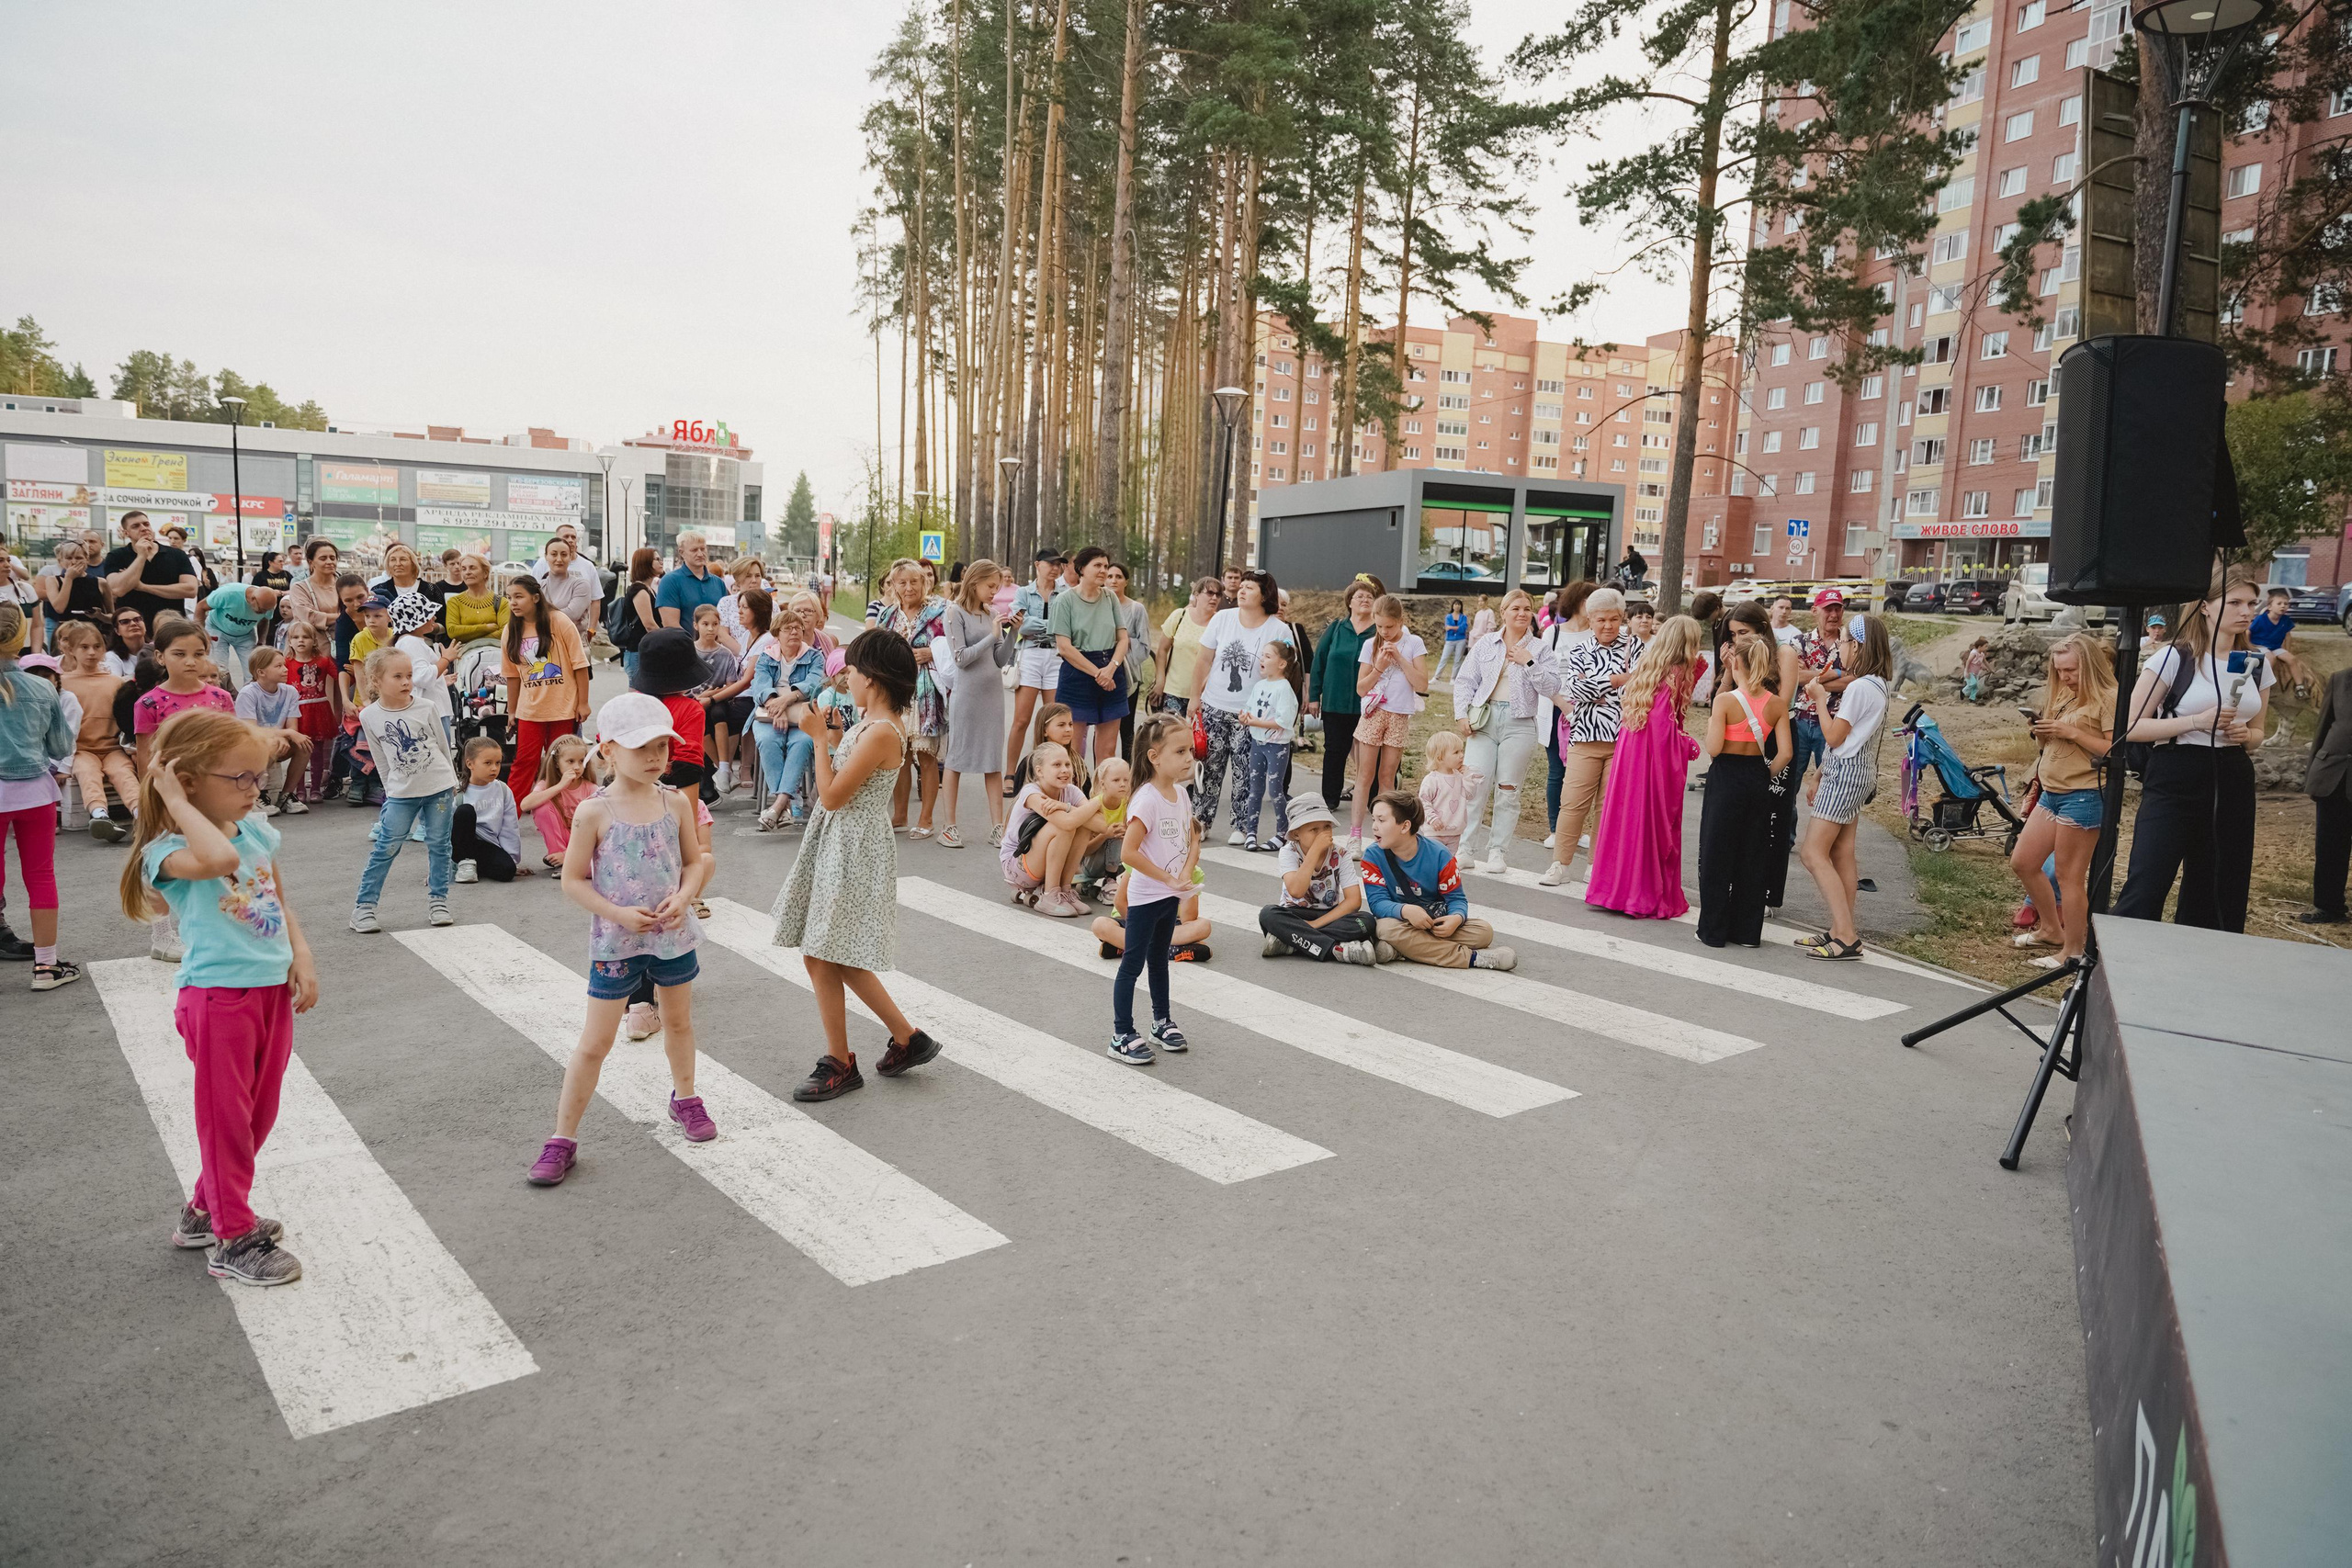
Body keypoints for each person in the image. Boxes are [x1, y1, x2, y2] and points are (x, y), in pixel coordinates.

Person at [120, 708, 319, 1282]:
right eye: (241, 779)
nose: (256, 791)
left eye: (260, 778)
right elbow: (221, 862)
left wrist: (300, 955)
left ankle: (203, 1212)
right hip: (217, 998)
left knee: (259, 1113)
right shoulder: (166, 851)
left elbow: (276, 897)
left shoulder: (254, 828)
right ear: (187, 782)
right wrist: (174, 802)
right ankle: (233, 1236)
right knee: (226, 1121)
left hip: (268, 991)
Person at [525, 693, 717, 1187]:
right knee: (595, 1042)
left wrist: (686, 895)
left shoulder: (675, 802)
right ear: (607, 750)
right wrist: (617, 914)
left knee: (678, 1023)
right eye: (642, 748)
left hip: (673, 938)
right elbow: (573, 881)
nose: (656, 757)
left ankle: (686, 1098)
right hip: (615, 943)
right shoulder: (593, 812)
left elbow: (696, 863)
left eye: (662, 746)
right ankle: (562, 1138)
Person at [770, 628, 946, 1102]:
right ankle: (905, 1039)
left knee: (825, 951)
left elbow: (830, 795)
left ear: (875, 678)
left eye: (852, 668)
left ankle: (843, 1060)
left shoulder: (882, 732)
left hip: (853, 846)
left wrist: (817, 742)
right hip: (840, 842)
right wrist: (831, 735)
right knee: (827, 950)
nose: (846, 676)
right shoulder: (868, 726)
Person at [2114, 565, 2271, 933]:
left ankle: (2202, 972)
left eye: (2252, 602)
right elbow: (2130, 727)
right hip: (2177, 770)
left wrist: (2245, 736)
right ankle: (2120, 967)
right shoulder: (2174, 656)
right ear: (2205, 606)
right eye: (2234, 602)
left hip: (2231, 774)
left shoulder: (2255, 660)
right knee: (2149, 878)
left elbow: (2259, 730)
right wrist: (2196, 722)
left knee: (2219, 888)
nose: (2246, 611)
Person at [2007, 634, 2117, 969]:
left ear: (2091, 665)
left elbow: (2115, 751)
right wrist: (2041, 730)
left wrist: (2071, 733)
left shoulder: (2109, 698)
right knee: (2023, 862)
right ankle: (2051, 929)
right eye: (2060, 671)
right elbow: (2047, 748)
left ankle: (2073, 951)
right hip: (2052, 792)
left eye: (2072, 670)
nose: (2066, 677)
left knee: (2070, 876)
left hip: (2083, 794)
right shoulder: (2065, 696)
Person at [1584, 615, 1704, 920]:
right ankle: (1640, 893)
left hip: (1632, 753)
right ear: (1686, 644)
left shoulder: (1650, 670)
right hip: (1651, 760)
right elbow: (1664, 730)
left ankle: (1615, 889)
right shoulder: (1675, 674)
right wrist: (1685, 743)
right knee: (1648, 821)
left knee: (1627, 817)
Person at [1794, 613, 1895, 961]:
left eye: (1846, 643)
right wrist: (1821, 771)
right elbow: (1852, 740)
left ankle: (1847, 936)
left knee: (1812, 853)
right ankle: (1840, 928)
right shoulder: (1878, 684)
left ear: (1860, 647)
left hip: (1846, 774)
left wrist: (1820, 699)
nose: (1840, 647)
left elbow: (1835, 735)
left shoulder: (1859, 687)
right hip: (1855, 770)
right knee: (1841, 852)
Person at [1106, 712, 1199, 1064]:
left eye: (1190, 750)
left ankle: (1161, 1022)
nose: (1189, 757)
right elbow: (1129, 852)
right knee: (1132, 964)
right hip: (1146, 898)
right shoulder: (1146, 799)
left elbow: (1192, 841)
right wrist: (1166, 878)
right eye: (1180, 751)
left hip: (1169, 895)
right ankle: (1121, 1033)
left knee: (1159, 960)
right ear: (1154, 756)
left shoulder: (1180, 794)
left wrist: (1184, 877)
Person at [350, 649, 461, 934]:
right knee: (386, 848)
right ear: (375, 680)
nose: (406, 682)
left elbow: (441, 745)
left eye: (409, 675)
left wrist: (452, 781)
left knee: (439, 845)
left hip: (439, 789)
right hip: (401, 794)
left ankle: (438, 902)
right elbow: (382, 759)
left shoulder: (426, 707)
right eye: (397, 676)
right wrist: (391, 791)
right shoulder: (370, 715)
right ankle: (364, 908)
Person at [1452, 587, 1562, 874]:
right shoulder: (1486, 643)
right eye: (1515, 608)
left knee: (1508, 790)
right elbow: (1465, 680)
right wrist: (1461, 714)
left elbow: (1552, 688)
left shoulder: (1539, 649)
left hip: (1520, 723)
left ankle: (1498, 851)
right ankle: (1465, 849)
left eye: (1527, 609)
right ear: (1503, 612)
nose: (1522, 613)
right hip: (1484, 721)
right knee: (1474, 787)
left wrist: (1529, 661)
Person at [0, 604, 79, 991]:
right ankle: (46, 967)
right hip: (33, 791)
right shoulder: (42, 686)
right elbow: (60, 744)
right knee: (40, 875)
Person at [1539, 587, 1641, 886]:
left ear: (1622, 618)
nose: (1608, 625)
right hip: (1584, 736)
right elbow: (1575, 690)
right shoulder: (1580, 649)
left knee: (1607, 807)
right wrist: (1618, 680)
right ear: (1591, 618)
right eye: (1600, 619)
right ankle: (1560, 864)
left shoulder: (1635, 648)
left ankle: (1596, 866)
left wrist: (1601, 685)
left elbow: (1638, 687)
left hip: (1622, 739)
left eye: (1614, 619)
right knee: (1572, 803)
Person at [1697, 635, 1792, 948]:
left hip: (1726, 775)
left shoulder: (1725, 701)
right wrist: (1765, 774)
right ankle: (1748, 932)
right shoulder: (1777, 703)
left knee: (1717, 852)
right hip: (1756, 776)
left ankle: (1712, 930)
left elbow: (1712, 747)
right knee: (1752, 853)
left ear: (1735, 662)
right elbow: (1786, 753)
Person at [1191, 570, 1297, 840]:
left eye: (1250, 587)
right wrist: (1194, 698)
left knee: (1245, 769)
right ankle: (1200, 822)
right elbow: (1203, 660)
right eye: (1243, 586)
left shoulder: (1279, 629)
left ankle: (1240, 825)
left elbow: (1290, 668)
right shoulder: (1222, 619)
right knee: (1209, 767)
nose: (1242, 590)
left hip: (1252, 714)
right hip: (1214, 704)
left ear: (1265, 595)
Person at [1360, 790, 1513, 970]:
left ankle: (1402, 950)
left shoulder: (1439, 854)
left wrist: (1456, 918)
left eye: (1381, 820)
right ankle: (1474, 958)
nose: (1374, 827)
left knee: (1483, 932)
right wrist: (1406, 911)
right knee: (1383, 929)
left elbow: (1456, 899)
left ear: (1404, 826)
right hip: (1398, 921)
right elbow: (1377, 903)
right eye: (1373, 820)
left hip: (1434, 922)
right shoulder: (1372, 856)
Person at [940, 558, 1017, 850]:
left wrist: (1012, 634)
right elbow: (961, 659)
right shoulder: (954, 612)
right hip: (967, 697)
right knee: (956, 759)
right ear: (974, 582)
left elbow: (999, 660)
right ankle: (949, 826)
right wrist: (992, 637)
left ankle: (997, 827)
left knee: (992, 763)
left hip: (992, 697)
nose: (994, 592)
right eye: (990, 586)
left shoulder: (992, 613)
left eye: (997, 587)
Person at [1257, 792, 1380, 963]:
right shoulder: (1288, 852)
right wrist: (1314, 851)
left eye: (1326, 827)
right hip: (1296, 914)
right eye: (1314, 829)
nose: (1323, 834)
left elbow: (1354, 901)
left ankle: (1291, 942)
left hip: (1328, 915)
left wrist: (1315, 925)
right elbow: (1296, 891)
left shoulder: (1340, 854)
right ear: (1297, 834)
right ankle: (1337, 950)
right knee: (1268, 915)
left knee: (1366, 922)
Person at [1002, 740, 1117, 917]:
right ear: (1039, 771)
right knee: (1065, 826)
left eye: (1067, 764)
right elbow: (1066, 824)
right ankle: (1050, 895)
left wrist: (1066, 807)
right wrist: (1096, 802)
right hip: (1018, 866)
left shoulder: (1071, 790)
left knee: (1082, 825)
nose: (1065, 770)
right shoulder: (1031, 792)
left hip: (1042, 864)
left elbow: (1101, 825)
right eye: (1057, 765)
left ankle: (1064, 890)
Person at [501, 574, 592, 794]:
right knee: (524, 763)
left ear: (535, 597)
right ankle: (510, 818)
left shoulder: (559, 621)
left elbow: (580, 665)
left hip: (563, 709)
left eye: (519, 596)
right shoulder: (510, 631)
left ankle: (563, 816)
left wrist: (583, 703)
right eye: (509, 597)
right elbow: (512, 676)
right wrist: (512, 711)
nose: (513, 602)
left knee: (562, 764)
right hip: (530, 711)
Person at [56, 622, 137, 840]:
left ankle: (141, 813)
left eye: (97, 647)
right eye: (84, 647)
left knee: (124, 774)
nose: (91, 652)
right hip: (81, 749)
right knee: (86, 773)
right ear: (71, 650)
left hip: (112, 748)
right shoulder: (63, 683)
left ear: (104, 650)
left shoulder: (116, 682)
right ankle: (100, 815)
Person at [1310, 576, 1383, 810]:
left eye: (1370, 597)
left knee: (1372, 755)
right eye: (1359, 596)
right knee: (1334, 751)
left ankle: (1374, 801)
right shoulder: (1336, 629)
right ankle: (1329, 799)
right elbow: (1318, 662)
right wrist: (1314, 696)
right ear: (1349, 602)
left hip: (1369, 705)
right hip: (1336, 703)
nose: (1365, 600)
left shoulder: (1379, 632)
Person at [752, 608, 826, 831]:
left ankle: (778, 805)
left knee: (802, 742)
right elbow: (760, 687)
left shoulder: (814, 656)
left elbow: (814, 685)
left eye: (798, 628)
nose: (794, 632)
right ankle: (784, 806)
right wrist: (778, 706)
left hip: (802, 713)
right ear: (777, 633)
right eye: (788, 628)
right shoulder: (766, 656)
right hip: (770, 714)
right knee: (768, 741)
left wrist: (787, 701)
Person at [132, 618, 236, 775]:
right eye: (179, 654)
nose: (190, 662)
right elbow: (146, 757)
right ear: (160, 657)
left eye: (199, 654)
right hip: (171, 786)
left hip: (217, 783)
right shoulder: (149, 704)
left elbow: (232, 744)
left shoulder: (222, 697)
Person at [1233, 639, 1304, 852]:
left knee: (1275, 791)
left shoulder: (1284, 689)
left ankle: (1282, 833)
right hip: (1258, 744)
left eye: (1268, 656)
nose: (1262, 659)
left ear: (1282, 664)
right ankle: (1251, 832)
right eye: (1262, 655)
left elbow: (1283, 721)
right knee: (1254, 790)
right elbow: (1250, 707)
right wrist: (1245, 715)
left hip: (1276, 747)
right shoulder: (1260, 685)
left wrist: (1254, 722)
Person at [1004, 549, 1065, 784]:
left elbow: (1066, 624)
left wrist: (1037, 624)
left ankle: (1050, 774)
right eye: (1050, 563)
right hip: (1030, 655)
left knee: (1053, 720)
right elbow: (1021, 625)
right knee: (1022, 719)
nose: (1055, 568)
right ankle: (1010, 773)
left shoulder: (1065, 593)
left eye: (1058, 564)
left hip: (1056, 656)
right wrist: (1052, 625)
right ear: (1037, 564)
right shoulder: (1024, 592)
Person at [2302, 658, 2352, 926]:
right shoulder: (2341, 678)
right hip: (2333, 775)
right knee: (2330, 846)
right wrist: (2313, 775)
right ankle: (2328, 905)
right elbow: (2322, 728)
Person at [234, 647, 311, 816]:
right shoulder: (248, 693)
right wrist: (285, 734)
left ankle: (287, 796)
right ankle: (257, 795)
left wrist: (285, 735)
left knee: (305, 744)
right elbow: (252, 731)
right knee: (272, 743)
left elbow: (293, 728)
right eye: (278, 666)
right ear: (261, 672)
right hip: (251, 748)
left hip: (276, 741)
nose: (285, 669)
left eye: (284, 665)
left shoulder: (289, 691)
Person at [691, 604, 753, 794]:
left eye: (715, 624)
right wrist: (699, 696)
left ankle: (725, 767)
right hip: (694, 699)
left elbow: (730, 685)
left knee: (718, 713)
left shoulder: (725, 654)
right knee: (698, 718)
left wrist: (711, 695)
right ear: (696, 626)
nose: (710, 628)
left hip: (718, 700)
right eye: (705, 624)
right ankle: (721, 768)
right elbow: (684, 684)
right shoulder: (690, 651)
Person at [100, 512, 200, 629]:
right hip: (132, 627)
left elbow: (190, 589)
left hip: (171, 625)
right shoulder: (116, 556)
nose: (143, 528)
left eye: (146, 524)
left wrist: (143, 587)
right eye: (135, 526)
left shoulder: (177, 555)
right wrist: (141, 556)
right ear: (126, 533)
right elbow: (117, 589)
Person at [453, 736, 527, 885]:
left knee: (507, 872)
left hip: (486, 845)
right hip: (460, 843)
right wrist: (436, 868)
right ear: (470, 764)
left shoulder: (503, 790)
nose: (494, 768)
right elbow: (440, 830)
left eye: (498, 763)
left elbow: (510, 827)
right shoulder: (457, 791)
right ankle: (463, 863)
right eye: (488, 763)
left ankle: (476, 866)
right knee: (465, 811)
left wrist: (512, 860)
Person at [283, 622, 341, 807]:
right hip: (296, 714)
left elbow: (341, 676)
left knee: (316, 751)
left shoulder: (323, 662)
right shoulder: (286, 663)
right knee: (299, 751)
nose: (301, 641)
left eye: (305, 637)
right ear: (289, 641)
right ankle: (299, 789)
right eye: (296, 637)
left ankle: (315, 789)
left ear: (314, 640)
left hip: (318, 712)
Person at [522, 733, 597, 869]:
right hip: (564, 838)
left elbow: (598, 829)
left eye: (581, 761)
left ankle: (568, 859)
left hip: (585, 843)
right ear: (557, 763)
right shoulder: (548, 784)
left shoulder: (591, 789)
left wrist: (568, 853)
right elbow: (525, 805)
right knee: (542, 807)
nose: (577, 767)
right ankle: (559, 856)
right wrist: (560, 786)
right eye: (570, 761)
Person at [1155, 575, 1223, 720]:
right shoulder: (1179, 616)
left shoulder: (1220, 623)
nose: (1214, 598)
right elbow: (1162, 650)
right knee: (1171, 739)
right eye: (1210, 593)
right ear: (1197, 595)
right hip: (1174, 691)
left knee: (1197, 741)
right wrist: (1160, 680)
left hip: (1205, 696)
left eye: (1218, 595)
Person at [1108, 561, 1156, 761]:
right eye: (1109, 576)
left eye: (1118, 577)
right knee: (1104, 728)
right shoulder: (1099, 605)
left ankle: (1128, 774)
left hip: (1127, 676)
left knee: (1126, 727)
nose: (1113, 580)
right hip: (1102, 672)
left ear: (1126, 581)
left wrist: (1124, 642)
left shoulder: (1136, 609)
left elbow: (1145, 646)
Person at [200, 580, 279, 691]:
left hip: (245, 633)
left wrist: (261, 642)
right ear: (252, 599)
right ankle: (219, 696)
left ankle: (249, 698)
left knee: (254, 671)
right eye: (261, 610)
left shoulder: (268, 604)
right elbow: (201, 607)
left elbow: (265, 621)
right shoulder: (229, 593)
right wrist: (201, 634)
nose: (263, 612)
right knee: (219, 669)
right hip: (217, 628)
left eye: (266, 610)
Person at [532, 531, 604, 640]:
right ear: (546, 557)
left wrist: (539, 614)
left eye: (564, 554)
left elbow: (572, 615)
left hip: (574, 648)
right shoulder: (539, 587)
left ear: (571, 557)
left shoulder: (581, 585)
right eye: (554, 554)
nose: (559, 559)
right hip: (545, 646)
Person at [33, 539, 105, 647]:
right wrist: (69, 578)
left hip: (93, 633)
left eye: (79, 558)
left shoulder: (100, 582)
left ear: (86, 559)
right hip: (66, 634)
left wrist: (100, 615)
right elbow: (59, 607)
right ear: (61, 560)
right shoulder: (53, 580)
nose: (74, 562)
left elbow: (111, 616)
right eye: (68, 558)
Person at [278, 538, 344, 651]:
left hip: (342, 648)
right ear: (310, 562)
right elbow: (309, 617)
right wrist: (344, 617)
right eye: (323, 558)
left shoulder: (345, 584)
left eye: (333, 558)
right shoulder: (300, 587)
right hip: (310, 652)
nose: (329, 562)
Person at [2248, 585, 2311, 696]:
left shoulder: (2285, 620)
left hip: (2275, 646)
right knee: (2270, 658)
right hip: (2259, 645)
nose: (2283, 606)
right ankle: (2261, 686)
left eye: (2286, 604)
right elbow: (2248, 632)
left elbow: (2287, 636)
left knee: (2292, 659)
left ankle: (2299, 687)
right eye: (2279, 603)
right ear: (2270, 606)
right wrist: (2248, 646)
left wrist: (2287, 650)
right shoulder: (2261, 619)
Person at [369, 544, 442, 640]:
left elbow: (443, 625)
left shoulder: (431, 589)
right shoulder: (379, 591)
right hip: (388, 646)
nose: (398, 564)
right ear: (388, 565)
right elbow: (370, 621)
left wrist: (424, 627)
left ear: (413, 564)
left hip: (425, 645)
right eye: (393, 560)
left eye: (403, 559)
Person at [442, 554, 508, 655]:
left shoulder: (501, 602)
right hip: (464, 661)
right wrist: (486, 628)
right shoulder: (454, 602)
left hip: (495, 659)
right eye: (463, 569)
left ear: (485, 573)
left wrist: (469, 639)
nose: (467, 572)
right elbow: (453, 631)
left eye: (472, 568)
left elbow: (505, 632)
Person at [1418, 728, 1471, 853]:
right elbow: (1423, 802)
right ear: (1440, 757)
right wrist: (1433, 818)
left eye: (1462, 751)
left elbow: (1471, 794)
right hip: (1434, 831)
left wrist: (1468, 777)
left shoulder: (1460, 777)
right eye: (1456, 752)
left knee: (1448, 864)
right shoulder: (1432, 780)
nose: (1462, 755)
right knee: (1433, 861)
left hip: (1454, 832)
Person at [614, 547, 662, 673]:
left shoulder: (648, 588)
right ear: (645, 563)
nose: (661, 562)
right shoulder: (639, 590)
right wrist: (666, 641)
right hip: (638, 651)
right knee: (637, 691)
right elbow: (649, 624)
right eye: (657, 559)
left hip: (644, 650)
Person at [103, 606, 148, 681]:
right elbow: (114, 684)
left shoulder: (158, 649)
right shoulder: (112, 657)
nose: (133, 624)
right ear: (117, 631)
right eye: (125, 622)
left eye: (137, 619)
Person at [1434, 599, 1470, 681]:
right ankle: (1436, 677)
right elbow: (1447, 628)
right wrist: (1456, 628)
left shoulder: (1464, 617)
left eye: (1459, 604)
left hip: (1461, 640)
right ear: (1453, 606)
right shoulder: (1449, 616)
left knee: (1458, 660)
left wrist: (1452, 627)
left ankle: (1453, 678)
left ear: (1461, 606)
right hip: (1450, 640)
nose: (1457, 606)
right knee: (1444, 658)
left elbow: (1463, 628)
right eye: (1455, 604)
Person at [1962, 637, 1990, 704]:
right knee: (1973, 684)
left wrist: (1989, 669)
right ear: (1980, 647)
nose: (1987, 648)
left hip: (1976, 673)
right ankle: (1962, 692)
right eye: (1985, 646)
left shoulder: (1982, 654)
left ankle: (1972, 698)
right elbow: (1968, 661)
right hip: (1970, 672)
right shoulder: (1974, 653)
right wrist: (1967, 671)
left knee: (1976, 686)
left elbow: (1984, 663)